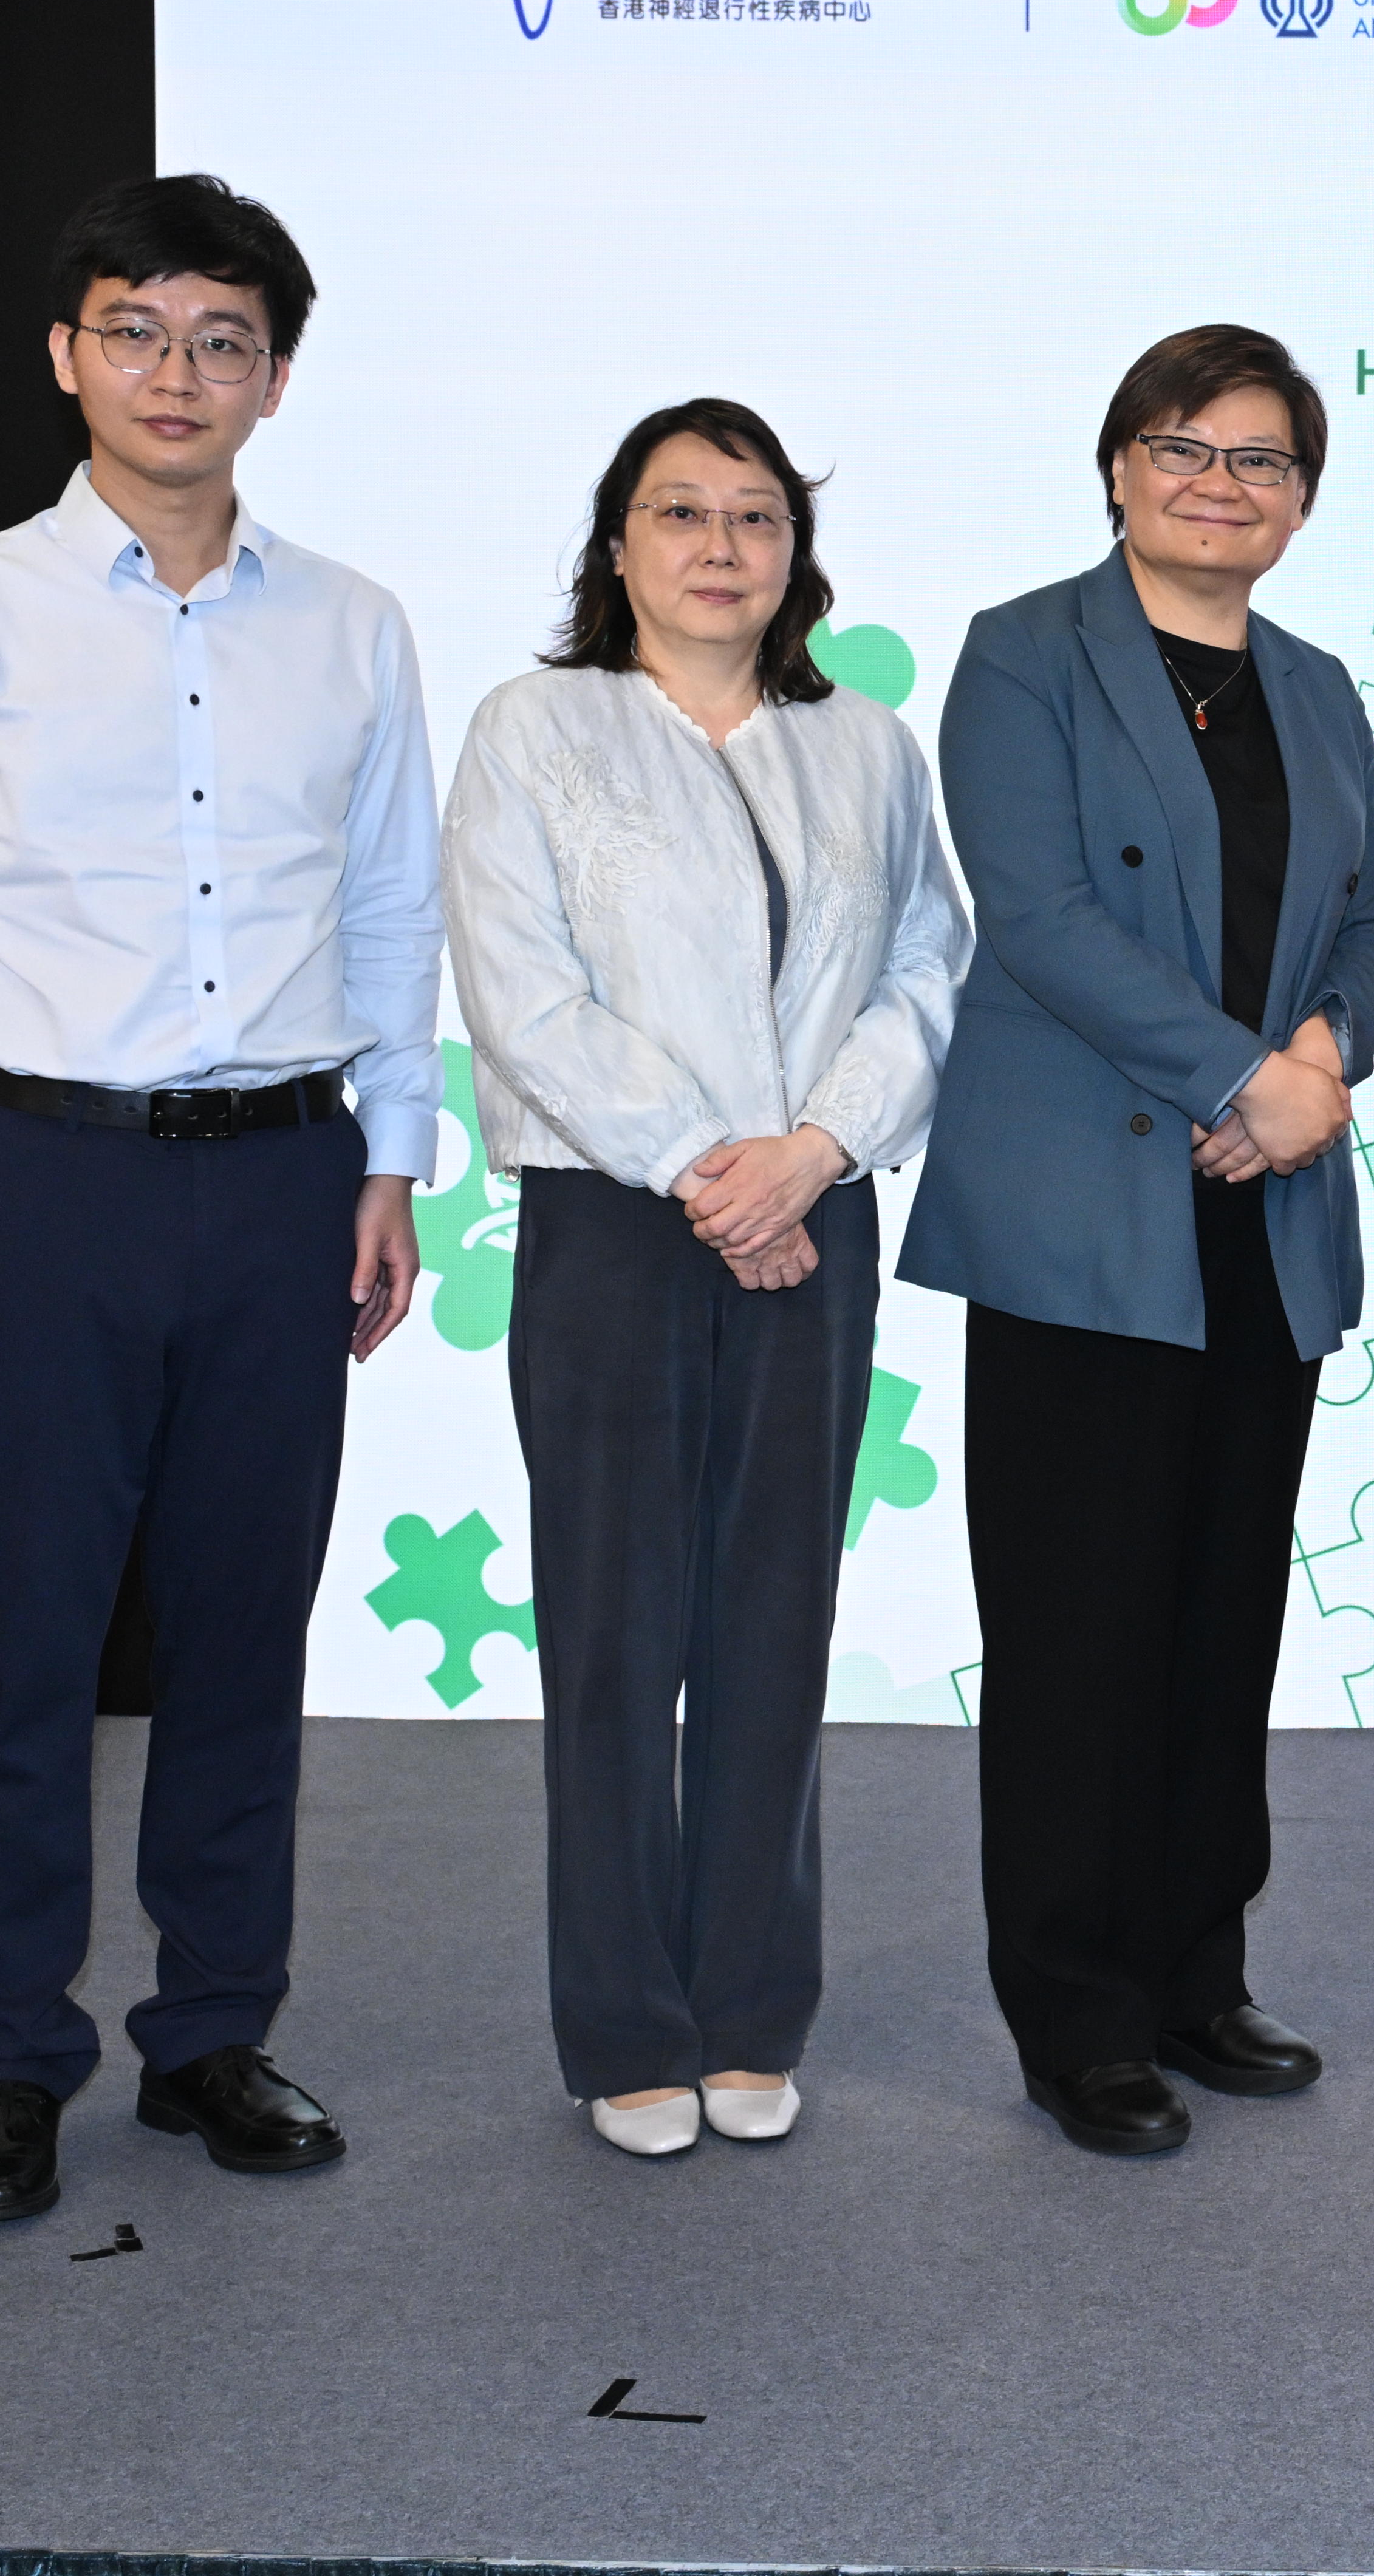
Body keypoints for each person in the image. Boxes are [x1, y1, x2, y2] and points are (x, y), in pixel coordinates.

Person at [0, 173, 438, 2227]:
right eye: (140, 328)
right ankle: (7, 2061)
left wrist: (393, 1160)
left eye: (225, 340)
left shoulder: (355, 626)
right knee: (17, 1648)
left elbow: (389, 913)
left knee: (244, 1636)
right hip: (39, 1188)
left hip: (281, 1183)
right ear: (67, 352)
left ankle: (214, 2034)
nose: (180, 373)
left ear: (277, 376)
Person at [895, 326, 1374, 2159]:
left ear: (1302, 501)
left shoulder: (1322, 686)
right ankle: (1078, 2012)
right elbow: (1031, 915)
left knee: (1219, 1620)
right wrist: (1240, 1076)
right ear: (1118, 468)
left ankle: (1201, 1975)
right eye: (1184, 448)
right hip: (1085, 1221)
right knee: (1073, 1629)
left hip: (1261, 1229)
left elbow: (1373, 912)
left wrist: (1330, 1052)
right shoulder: (1025, 658)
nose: (1221, 484)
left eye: (1263, 462)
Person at [441, 400, 968, 2159]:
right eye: (682, 513)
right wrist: (701, 1165)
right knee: (611, 1634)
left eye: (756, 517)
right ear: (617, 548)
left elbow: (926, 970)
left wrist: (808, 1155)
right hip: (615, 1224)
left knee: (771, 1624)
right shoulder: (537, 731)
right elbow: (521, 991)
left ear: (795, 554)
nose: (722, 547)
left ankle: (751, 2006)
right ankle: (622, 2026)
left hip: (813, 1222)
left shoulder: (868, 746)